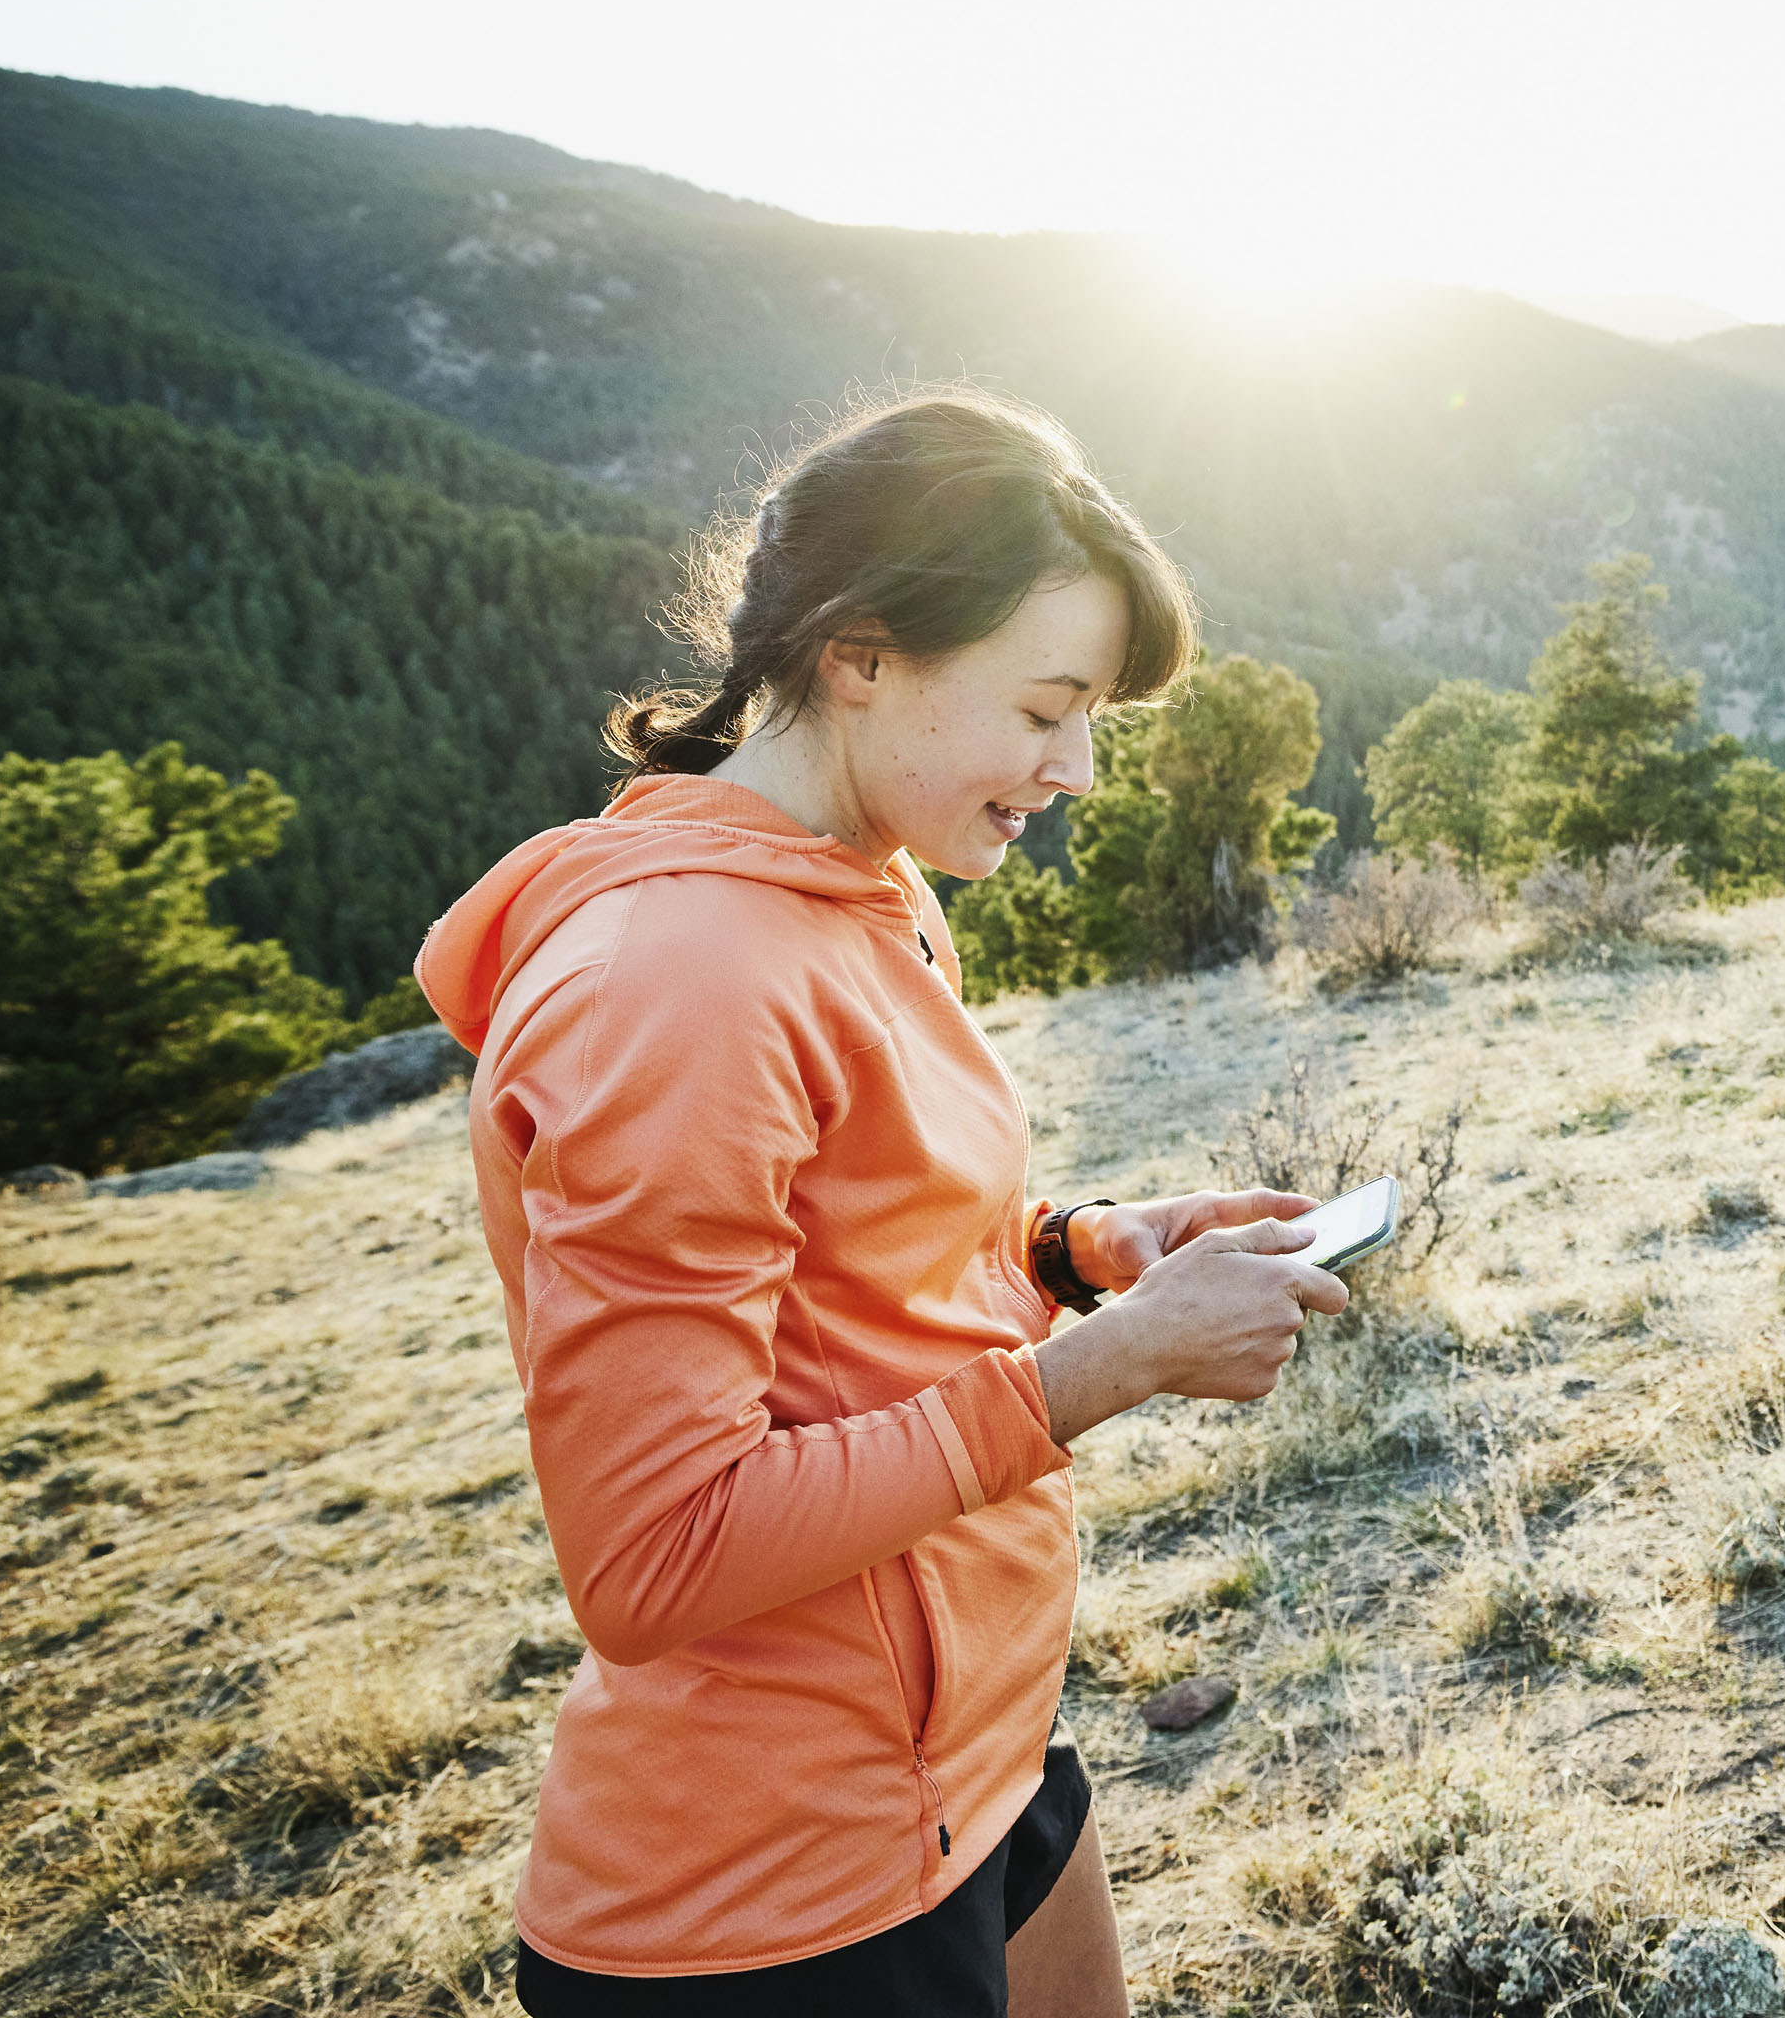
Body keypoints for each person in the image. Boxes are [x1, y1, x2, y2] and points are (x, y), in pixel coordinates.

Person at [418, 390, 1347, 2015]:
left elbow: (851, 1260)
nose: (1076, 770)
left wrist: (1075, 1253)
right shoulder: (678, 985)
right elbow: (653, 1555)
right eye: (1047, 708)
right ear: (859, 656)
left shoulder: (868, 877)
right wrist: (1107, 1366)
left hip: (973, 1752)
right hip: (776, 1902)